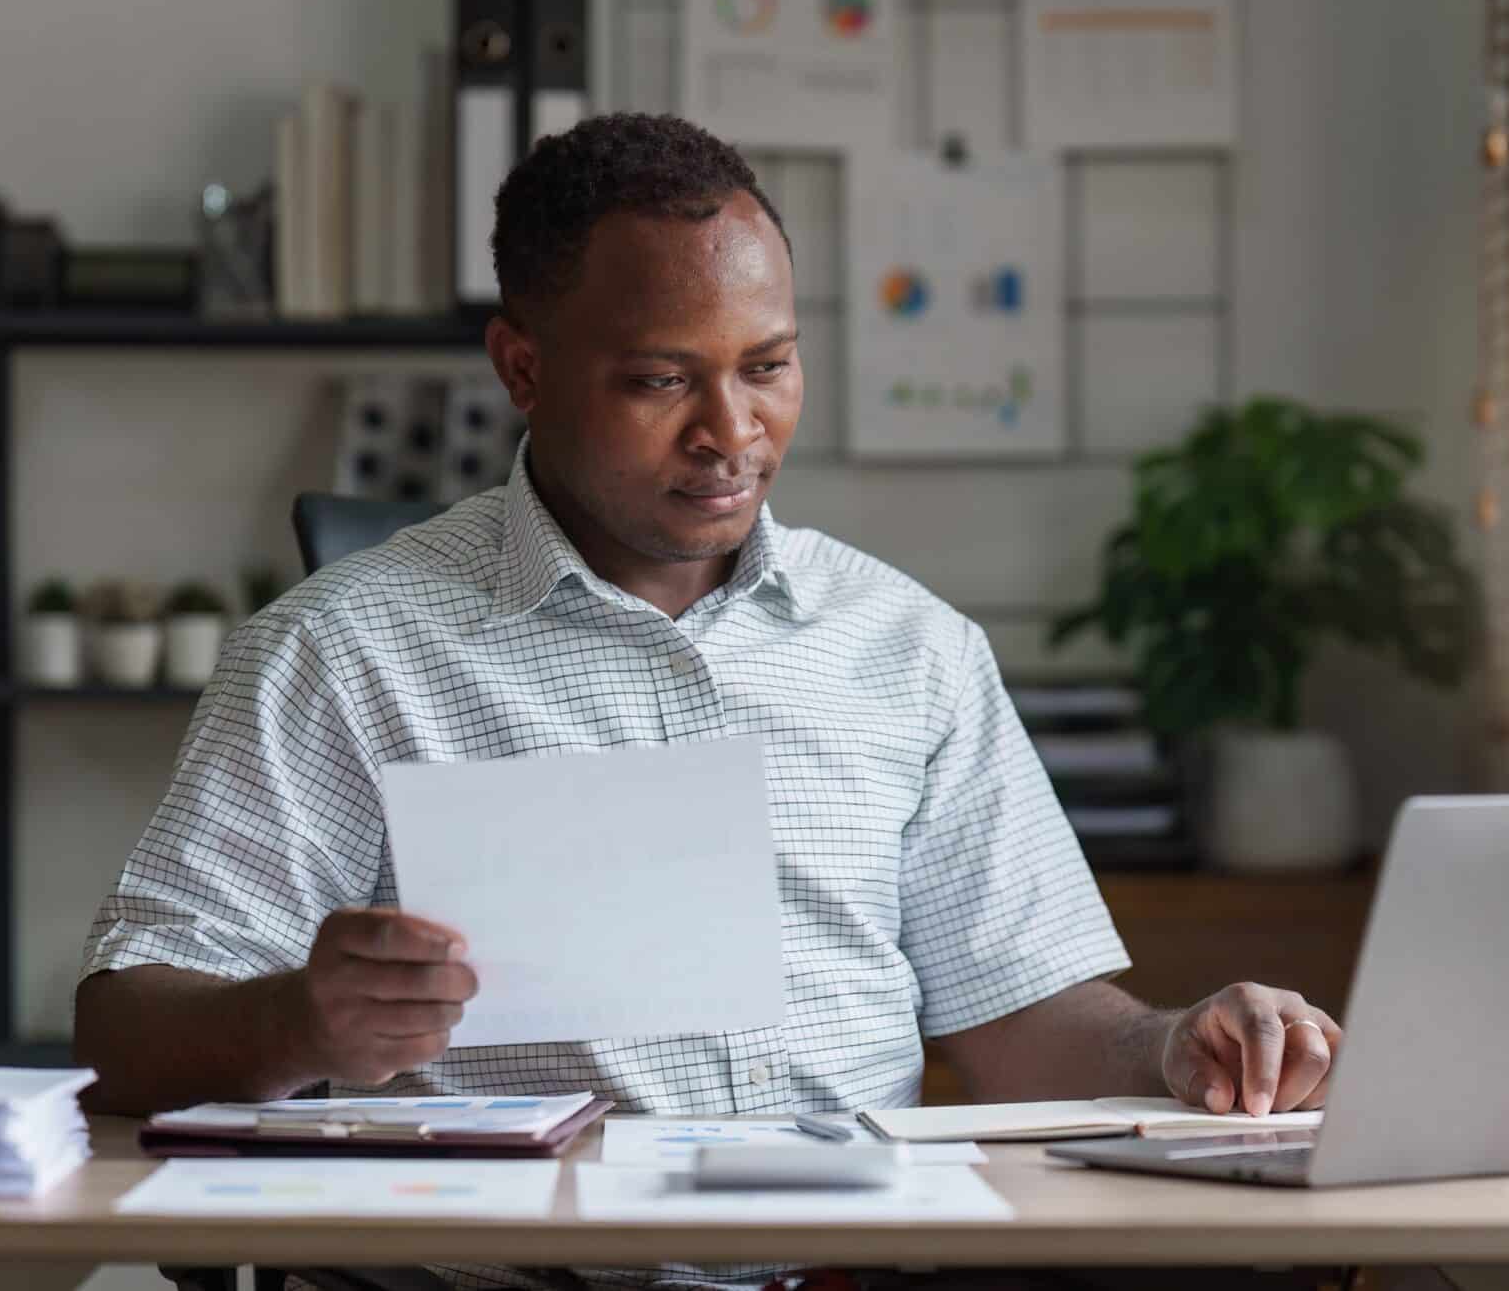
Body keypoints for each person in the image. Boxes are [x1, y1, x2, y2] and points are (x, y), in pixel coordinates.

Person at [74, 113, 1340, 1290]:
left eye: (768, 367)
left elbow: (1030, 1019)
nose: (729, 433)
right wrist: (297, 1021)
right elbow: (126, 1023)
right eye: (660, 382)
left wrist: (1175, 1043)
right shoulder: (340, 653)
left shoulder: (906, 648)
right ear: (521, 366)